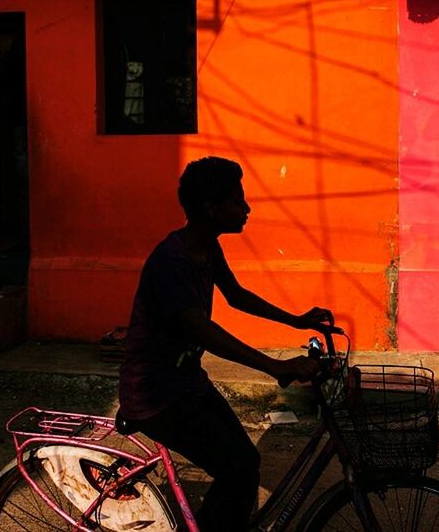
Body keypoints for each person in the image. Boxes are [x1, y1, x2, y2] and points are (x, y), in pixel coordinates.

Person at [118, 156, 332, 531]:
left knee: (245, 464)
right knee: (238, 470)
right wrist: (276, 366)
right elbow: (205, 332)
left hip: (186, 383)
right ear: (210, 207)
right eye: (237, 201)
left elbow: (236, 296)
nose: (246, 208)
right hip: (156, 396)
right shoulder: (172, 261)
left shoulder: (205, 248)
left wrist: (296, 319)